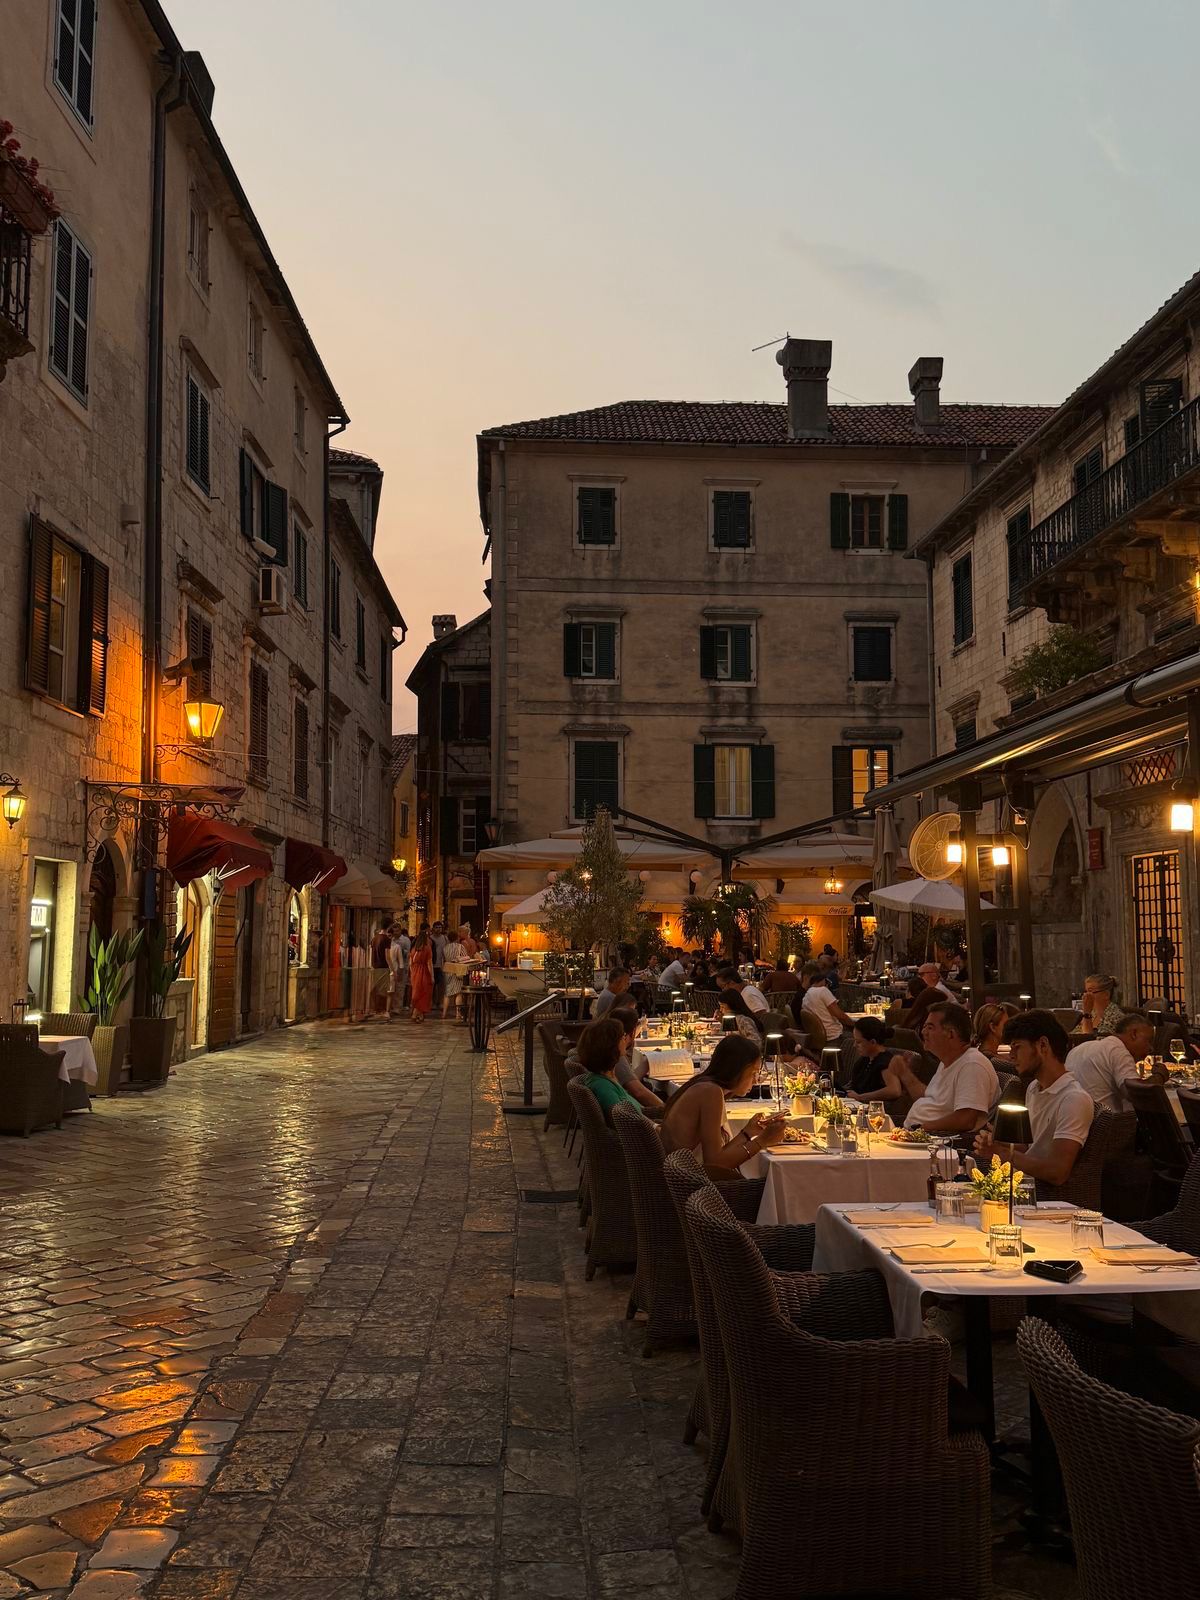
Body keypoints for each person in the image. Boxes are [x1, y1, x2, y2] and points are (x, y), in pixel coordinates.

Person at [974, 1010, 1094, 1188]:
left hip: (1043, 1194)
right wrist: (998, 1142)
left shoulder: (1073, 1099)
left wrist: (1001, 1153)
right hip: (1021, 1182)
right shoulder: (1033, 1088)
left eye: (1017, 1047)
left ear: (1043, 1045)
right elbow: (1029, 1147)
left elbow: (1057, 1172)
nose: (1011, 1056)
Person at [659, 1034, 787, 1180]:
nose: (755, 1080)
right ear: (737, 1069)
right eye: (753, 1073)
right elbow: (715, 1164)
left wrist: (748, 1133)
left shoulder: (707, 1087)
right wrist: (763, 1141)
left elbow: (718, 1154)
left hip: (683, 1177)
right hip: (688, 1184)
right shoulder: (710, 1092)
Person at [887, 1002, 998, 1133]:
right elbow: (932, 1099)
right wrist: (904, 1073)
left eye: (930, 1027)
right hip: (918, 1133)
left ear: (951, 1034)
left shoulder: (972, 1065)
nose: (923, 1032)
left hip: (940, 1143)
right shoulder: (948, 1060)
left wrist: (921, 1129)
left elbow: (966, 1119)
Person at [1066, 1010, 1160, 1112]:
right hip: (1105, 1124)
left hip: (1074, 1120)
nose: (1151, 1048)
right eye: (1148, 1041)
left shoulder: (1080, 1049)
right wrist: (1159, 1076)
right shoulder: (1118, 1050)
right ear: (1134, 1034)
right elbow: (1136, 1095)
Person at [576, 1016, 645, 1124]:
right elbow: (625, 1124)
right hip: (642, 1138)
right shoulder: (603, 1087)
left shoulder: (607, 1077)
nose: (626, 1039)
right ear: (611, 1046)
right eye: (623, 1036)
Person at [845, 1017, 897, 1099]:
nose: (854, 1045)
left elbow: (894, 1090)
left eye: (858, 1042)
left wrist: (860, 1097)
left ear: (873, 1042)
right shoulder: (865, 1060)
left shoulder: (885, 1062)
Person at [799, 966, 851, 1043]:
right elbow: (839, 1015)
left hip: (818, 1037)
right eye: (827, 983)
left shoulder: (806, 997)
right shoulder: (822, 990)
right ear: (823, 981)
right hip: (834, 1035)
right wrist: (855, 1024)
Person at [900, 963, 953, 1033]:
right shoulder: (932, 990)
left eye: (921, 974)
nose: (919, 978)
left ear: (934, 976)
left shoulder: (937, 991)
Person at [1078, 973, 1124, 1038]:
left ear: (1106, 995)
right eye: (1085, 992)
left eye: (1090, 991)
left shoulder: (1114, 1017)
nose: (1085, 996)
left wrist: (1086, 1013)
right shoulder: (1093, 1013)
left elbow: (1088, 1041)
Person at [408, 929, 434, 1023]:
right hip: (424, 972)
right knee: (424, 993)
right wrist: (431, 976)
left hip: (414, 971)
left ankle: (421, 1015)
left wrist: (412, 973)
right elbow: (429, 964)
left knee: (416, 992)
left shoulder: (413, 949)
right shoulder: (427, 948)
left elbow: (410, 963)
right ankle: (415, 1014)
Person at [441, 930, 468, 1022]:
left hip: (448, 969)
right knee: (458, 993)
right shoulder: (460, 947)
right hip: (457, 970)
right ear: (457, 938)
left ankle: (444, 1013)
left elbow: (443, 959)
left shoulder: (445, 947)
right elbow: (465, 957)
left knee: (447, 993)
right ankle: (458, 1013)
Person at [386, 924, 411, 1018]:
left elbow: (407, 954)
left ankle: (397, 1007)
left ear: (400, 930)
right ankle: (391, 1006)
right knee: (391, 989)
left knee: (400, 988)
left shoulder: (405, 940)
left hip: (402, 965)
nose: (395, 933)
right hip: (392, 966)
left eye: (397, 931)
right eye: (394, 931)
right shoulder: (391, 940)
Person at [430, 920, 448, 1007]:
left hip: (441, 965)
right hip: (432, 964)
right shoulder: (430, 938)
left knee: (441, 984)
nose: (438, 929)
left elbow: (447, 950)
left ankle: (440, 1001)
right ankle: (433, 1001)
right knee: (432, 985)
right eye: (436, 927)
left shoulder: (444, 938)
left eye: (440, 927)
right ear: (433, 928)